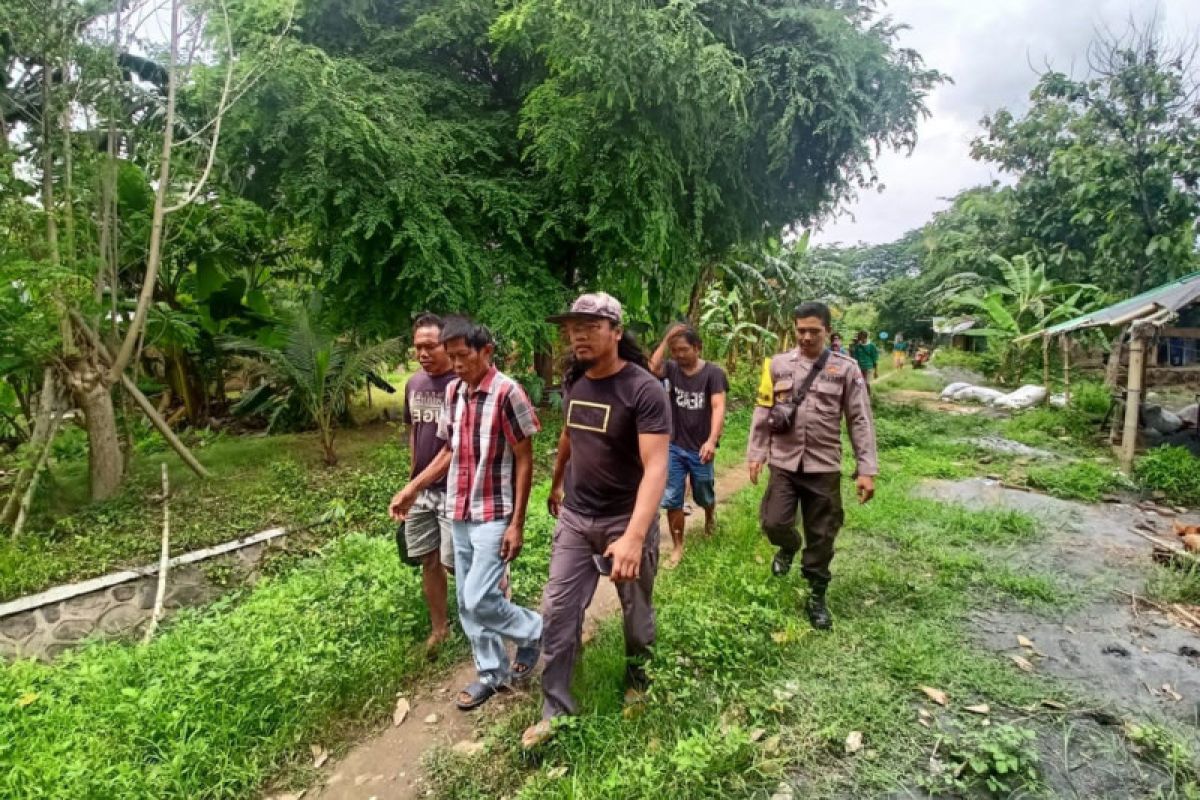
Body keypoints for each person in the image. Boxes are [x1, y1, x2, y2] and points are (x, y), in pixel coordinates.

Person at [523, 292, 670, 748]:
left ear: (617, 332)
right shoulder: (575, 380)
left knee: (636, 612)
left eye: (590, 325)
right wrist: (556, 480)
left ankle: (639, 678)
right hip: (575, 518)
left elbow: (657, 467)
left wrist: (633, 536)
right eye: (572, 326)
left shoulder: (643, 389)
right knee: (558, 611)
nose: (578, 334)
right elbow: (570, 431)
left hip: (625, 519)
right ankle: (557, 710)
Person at [389, 317, 543, 711]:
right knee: (465, 601)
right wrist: (412, 488)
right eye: (451, 356)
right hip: (458, 510)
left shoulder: (509, 393)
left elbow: (525, 459)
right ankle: (492, 674)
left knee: (477, 597)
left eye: (462, 356)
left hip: (494, 512)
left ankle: (534, 628)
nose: (456, 364)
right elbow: (447, 451)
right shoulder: (455, 392)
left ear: (486, 351)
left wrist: (517, 523)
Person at [748, 302, 878, 630]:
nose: (806, 337)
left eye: (814, 331)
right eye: (801, 330)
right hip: (784, 462)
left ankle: (816, 594)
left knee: (822, 535)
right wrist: (756, 453)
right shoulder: (777, 365)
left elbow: (860, 419)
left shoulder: (845, 369)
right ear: (794, 329)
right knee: (774, 522)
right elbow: (763, 411)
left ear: (827, 331)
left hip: (823, 466)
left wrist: (866, 469)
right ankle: (789, 546)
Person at [398, 313, 457, 653]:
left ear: (446, 345)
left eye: (430, 346)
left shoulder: (460, 385)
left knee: (454, 561)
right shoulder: (413, 384)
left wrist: (414, 485)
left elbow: (454, 447)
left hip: (454, 487)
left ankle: (492, 603)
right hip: (421, 489)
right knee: (428, 559)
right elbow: (414, 432)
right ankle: (440, 628)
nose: (423, 353)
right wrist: (413, 479)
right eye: (418, 347)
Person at [650, 323, 728, 566]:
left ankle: (709, 515)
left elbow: (718, 407)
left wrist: (712, 440)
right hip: (674, 444)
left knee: (703, 492)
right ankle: (677, 546)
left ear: (697, 348)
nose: (678, 354)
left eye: (683, 349)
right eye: (674, 350)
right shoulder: (672, 369)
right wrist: (666, 339)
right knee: (672, 498)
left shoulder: (714, 374)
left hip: (701, 446)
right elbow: (652, 367)